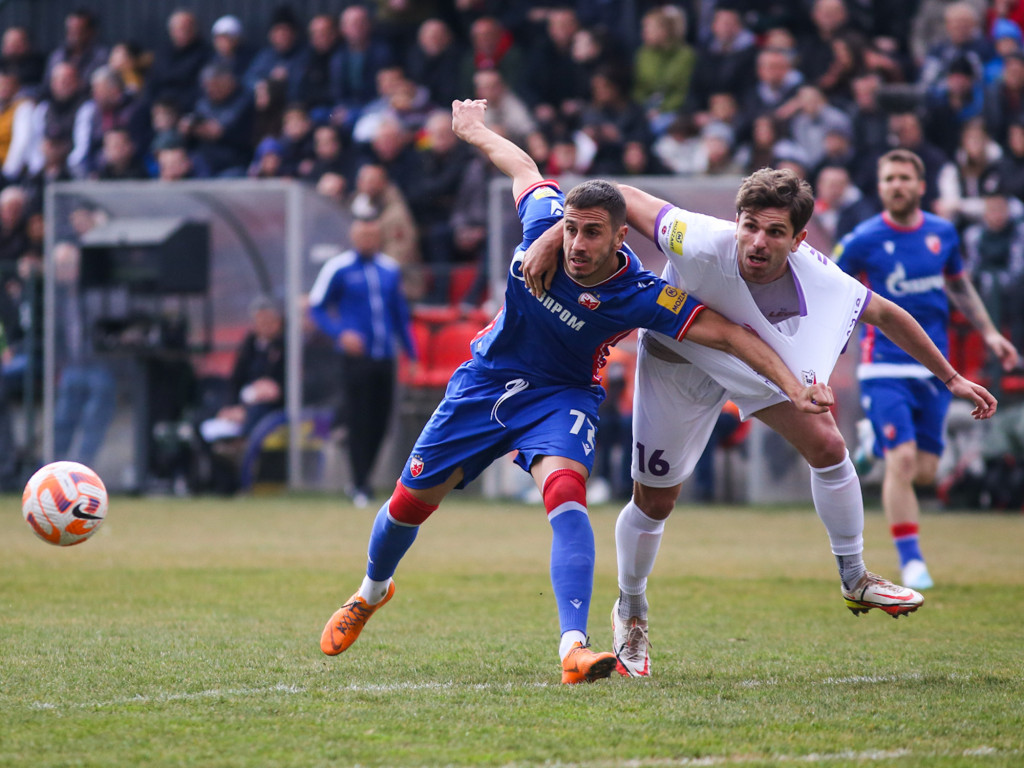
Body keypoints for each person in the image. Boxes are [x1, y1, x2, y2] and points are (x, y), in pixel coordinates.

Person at [318, 98, 832, 684]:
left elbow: (729, 334)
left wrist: (795, 386)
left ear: (620, 237)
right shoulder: (545, 227)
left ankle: (573, 647)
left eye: (592, 233)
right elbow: (524, 169)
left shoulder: (641, 293)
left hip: (560, 397)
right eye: (571, 229)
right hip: (483, 383)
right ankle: (371, 591)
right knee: (408, 505)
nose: (578, 243)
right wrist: (473, 129)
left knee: (566, 494)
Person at [522, 165, 1000, 679]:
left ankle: (854, 577)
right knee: (654, 501)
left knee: (828, 444)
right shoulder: (699, 238)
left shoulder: (819, 277)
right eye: (750, 225)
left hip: (748, 358)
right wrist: (553, 236)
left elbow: (886, 314)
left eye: (775, 232)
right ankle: (631, 610)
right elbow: (614, 193)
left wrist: (951, 379)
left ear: (798, 240)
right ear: (736, 220)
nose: (757, 241)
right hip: (676, 359)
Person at [835, 149, 1019, 590]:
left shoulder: (942, 234)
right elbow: (833, 291)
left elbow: (958, 285)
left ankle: (872, 438)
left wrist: (990, 333)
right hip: (883, 366)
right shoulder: (862, 238)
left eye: (904, 178)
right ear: (880, 187)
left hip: (935, 368)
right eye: (889, 178)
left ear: (920, 186)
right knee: (901, 463)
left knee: (925, 471)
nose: (896, 185)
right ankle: (912, 559)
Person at [308, 216, 418, 507]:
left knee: (381, 422)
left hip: (385, 356)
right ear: (353, 236)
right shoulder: (338, 268)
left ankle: (364, 478)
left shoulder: (389, 270)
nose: (367, 240)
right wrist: (340, 333)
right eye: (362, 235)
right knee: (359, 419)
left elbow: (399, 314)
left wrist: (412, 352)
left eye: (372, 235)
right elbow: (317, 308)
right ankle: (360, 483)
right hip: (356, 359)